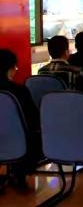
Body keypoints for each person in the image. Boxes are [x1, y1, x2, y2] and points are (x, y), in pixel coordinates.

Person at [0, 49, 41, 189]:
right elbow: (34, 119)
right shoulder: (19, 91)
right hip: (20, 143)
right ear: (10, 69)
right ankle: (20, 173)